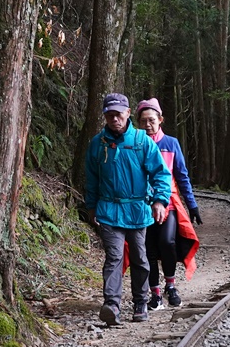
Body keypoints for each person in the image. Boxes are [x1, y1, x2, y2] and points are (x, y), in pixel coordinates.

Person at [85, 93, 171, 324]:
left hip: (137, 210)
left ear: (127, 113)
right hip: (109, 209)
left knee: (140, 258)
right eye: (109, 115)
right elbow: (91, 179)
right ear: (105, 116)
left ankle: (140, 303)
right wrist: (91, 206)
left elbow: (161, 175)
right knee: (114, 257)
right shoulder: (98, 143)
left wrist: (160, 201)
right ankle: (111, 305)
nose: (114, 119)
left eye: (118, 114)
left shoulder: (143, 142)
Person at [135, 98, 202, 310]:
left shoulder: (171, 143)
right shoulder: (135, 144)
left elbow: (182, 175)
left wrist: (192, 205)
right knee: (149, 249)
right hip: (142, 205)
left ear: (160, 120)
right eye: (143, 120)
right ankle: (154, 293)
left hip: (169, 203)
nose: (148, 125)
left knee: (168, 242)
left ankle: (170, 285)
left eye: (151, 120)